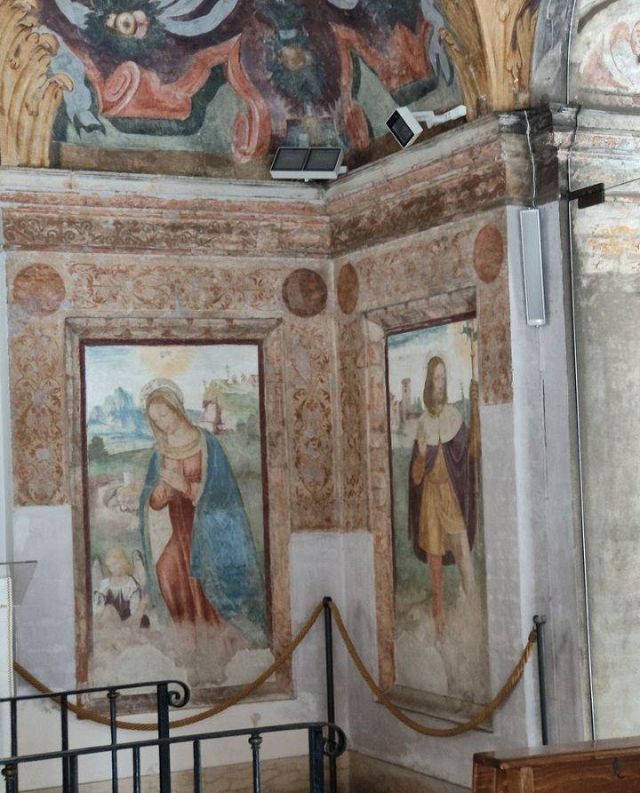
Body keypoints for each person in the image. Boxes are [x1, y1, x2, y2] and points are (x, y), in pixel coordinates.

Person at [138, 379, 267, 648]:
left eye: (164, 414)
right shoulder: (160, 452)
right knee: (167, 572)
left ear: (177, 408)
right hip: (179, 533)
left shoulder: (207, 444)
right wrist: (160, 494)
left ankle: (219, 641)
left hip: (208, 532)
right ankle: (190, 640)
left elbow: (224, 493)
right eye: (155, 419)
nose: (161, 423)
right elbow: (151, 501)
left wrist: (186, 487)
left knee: (208, 582)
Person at [408, 356, 480, 635]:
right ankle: (439, 618)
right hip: (430, 497)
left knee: (462, 550)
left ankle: (472, 606)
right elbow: (416, 477)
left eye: (444, 378)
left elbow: (472, 452)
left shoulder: (454, 417)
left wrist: (476, 410)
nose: (440, 384)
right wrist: (421, 455)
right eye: (436, 378)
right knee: (434, 559)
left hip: (451, 495)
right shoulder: (423, 423)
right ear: (429, 382)